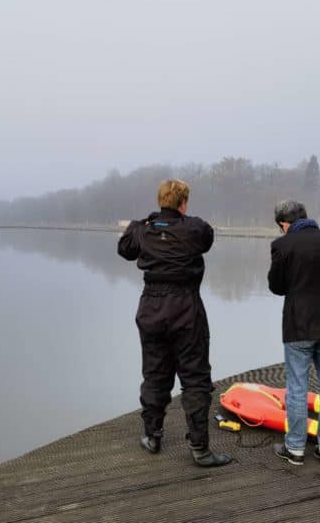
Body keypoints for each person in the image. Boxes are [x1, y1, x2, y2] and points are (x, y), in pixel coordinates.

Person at [117, 179, 231, 467]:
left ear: (160, 202)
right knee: (194, 376)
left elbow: (125, 248)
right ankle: (199, 448)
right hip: (185, 306)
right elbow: (207, 236)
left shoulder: (143, 230)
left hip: (152, 305)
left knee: (155, 372)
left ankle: (153, 435)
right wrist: (175, 220)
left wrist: (141, 223)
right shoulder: (193, 228)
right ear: (184, 203)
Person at [267, 200, 320, 467]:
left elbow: (277, 287)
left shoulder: (283, 245)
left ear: (284, 223)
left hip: (298, 326)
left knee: (297, 388)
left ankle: (295, 449)